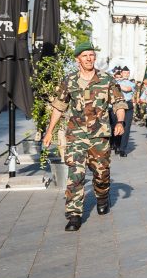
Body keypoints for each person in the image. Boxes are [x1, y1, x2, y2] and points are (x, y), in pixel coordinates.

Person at [42, 41, 127, 231]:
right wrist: (49, 132)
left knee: (101, 174)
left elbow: (119, 103)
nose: (89, 58)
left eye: (91, 55)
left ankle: (102, 196)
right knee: (76, 174)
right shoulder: (69, 80)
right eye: (85, 56)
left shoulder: (107, 79)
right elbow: (59, 107)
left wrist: (120, 122)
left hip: (99, 136)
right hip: (76, 135)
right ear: (77, 59)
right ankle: (74, 215)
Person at [116, 66, 135, 156]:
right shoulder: (116, 81)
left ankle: (123, 149)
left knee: (126, 127)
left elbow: (127, 89)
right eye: (125, 73)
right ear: (121, 73)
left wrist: (117, 84)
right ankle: (117, 145)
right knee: (117, 125)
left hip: (128, 105)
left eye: (128, 73)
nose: (126, 74)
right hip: (118, 105)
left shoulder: (131, 83)